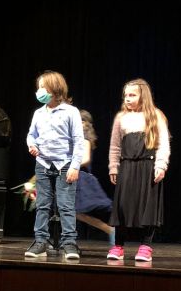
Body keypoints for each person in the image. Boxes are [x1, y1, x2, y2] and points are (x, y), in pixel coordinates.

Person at [106, 79, 170, 261]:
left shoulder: (155, 115)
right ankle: (118, 246)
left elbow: (163, 144)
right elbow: (115, 146)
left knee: (148, 206)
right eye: (126, 95)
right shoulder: (121, 117)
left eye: (132, 95)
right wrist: (113, 167)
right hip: (127, 166)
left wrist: (161, 165)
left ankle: (145, 246)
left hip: (148, 167)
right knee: (122, 206)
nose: (127, 98)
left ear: (143, 96)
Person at [25, 71, 84, 259]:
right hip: (43, 164)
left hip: (64, 165)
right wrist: (32, 145)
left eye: (43, 87)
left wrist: (75, 166)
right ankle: (41, 241)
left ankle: (69, 243)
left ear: (54, 88)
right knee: (42, 205)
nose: (39, 91)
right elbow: (31, 135)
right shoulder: (38, 113)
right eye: (39, 87)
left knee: (66, 206)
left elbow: (78, 141)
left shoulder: (71, 112)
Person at [75, 110, 116, 246]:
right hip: (73, 176)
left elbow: (86, 159)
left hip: (80, 178)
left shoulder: (85, 139)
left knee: (75, 212)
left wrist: (69, 165)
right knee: (73, 212)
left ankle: (110, 230)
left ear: (85, 123)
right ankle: (109, 230)